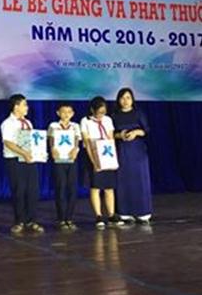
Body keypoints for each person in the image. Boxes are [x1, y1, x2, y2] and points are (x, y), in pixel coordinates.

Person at [0, 94, 44, 234]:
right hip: (15, 160)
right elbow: (8, 142)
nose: (27, 107)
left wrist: (39, 153)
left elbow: (32, 141)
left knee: (32, 190)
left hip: (29, 160)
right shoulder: (8, 123)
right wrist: (23, 153)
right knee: (19, 190)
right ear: (16, 106)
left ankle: (31, 220)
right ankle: (19, 221)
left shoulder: (28, 123)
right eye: (24, 104)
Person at [81, 96, 123, 229]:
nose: (101, 115)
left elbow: (111, 139)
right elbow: (87, 142)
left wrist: (114, 158)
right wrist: (94, 162)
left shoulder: (108, 120)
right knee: (95, 186)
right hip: (93, 154)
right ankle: (98, 215)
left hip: (106, 153)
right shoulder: (85, 121)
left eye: (103, 112)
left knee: (109, 186)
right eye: (99, 112)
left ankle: (111, 214)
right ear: (92, 110)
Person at [112, 88, 152, 224]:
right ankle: (125, 212)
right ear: (118, 100)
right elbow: (111, 133)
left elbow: (146, 130)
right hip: (122, 150)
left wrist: (135, 132)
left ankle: (143, 212)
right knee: (123, 180)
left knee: (140, 179)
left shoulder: (138, 113)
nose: (125, 101)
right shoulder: (115, 115)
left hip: (138, 150)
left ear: (132, 99)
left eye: (128, 97)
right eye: (122, 98)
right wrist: (120, 135)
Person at [47, 102, 81, 231]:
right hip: (59, 160)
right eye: (63, 112)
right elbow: (51, 141)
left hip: (72, 160)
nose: (66, 114)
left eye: (69, 112)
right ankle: (61, 218)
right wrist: (52, 149)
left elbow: (77, 141)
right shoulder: (53, 125)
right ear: (58, 113)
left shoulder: (75, 126)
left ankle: (69, 218)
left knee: (72, 189)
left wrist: (75, 150)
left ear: (72, 114)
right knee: (60, 188)